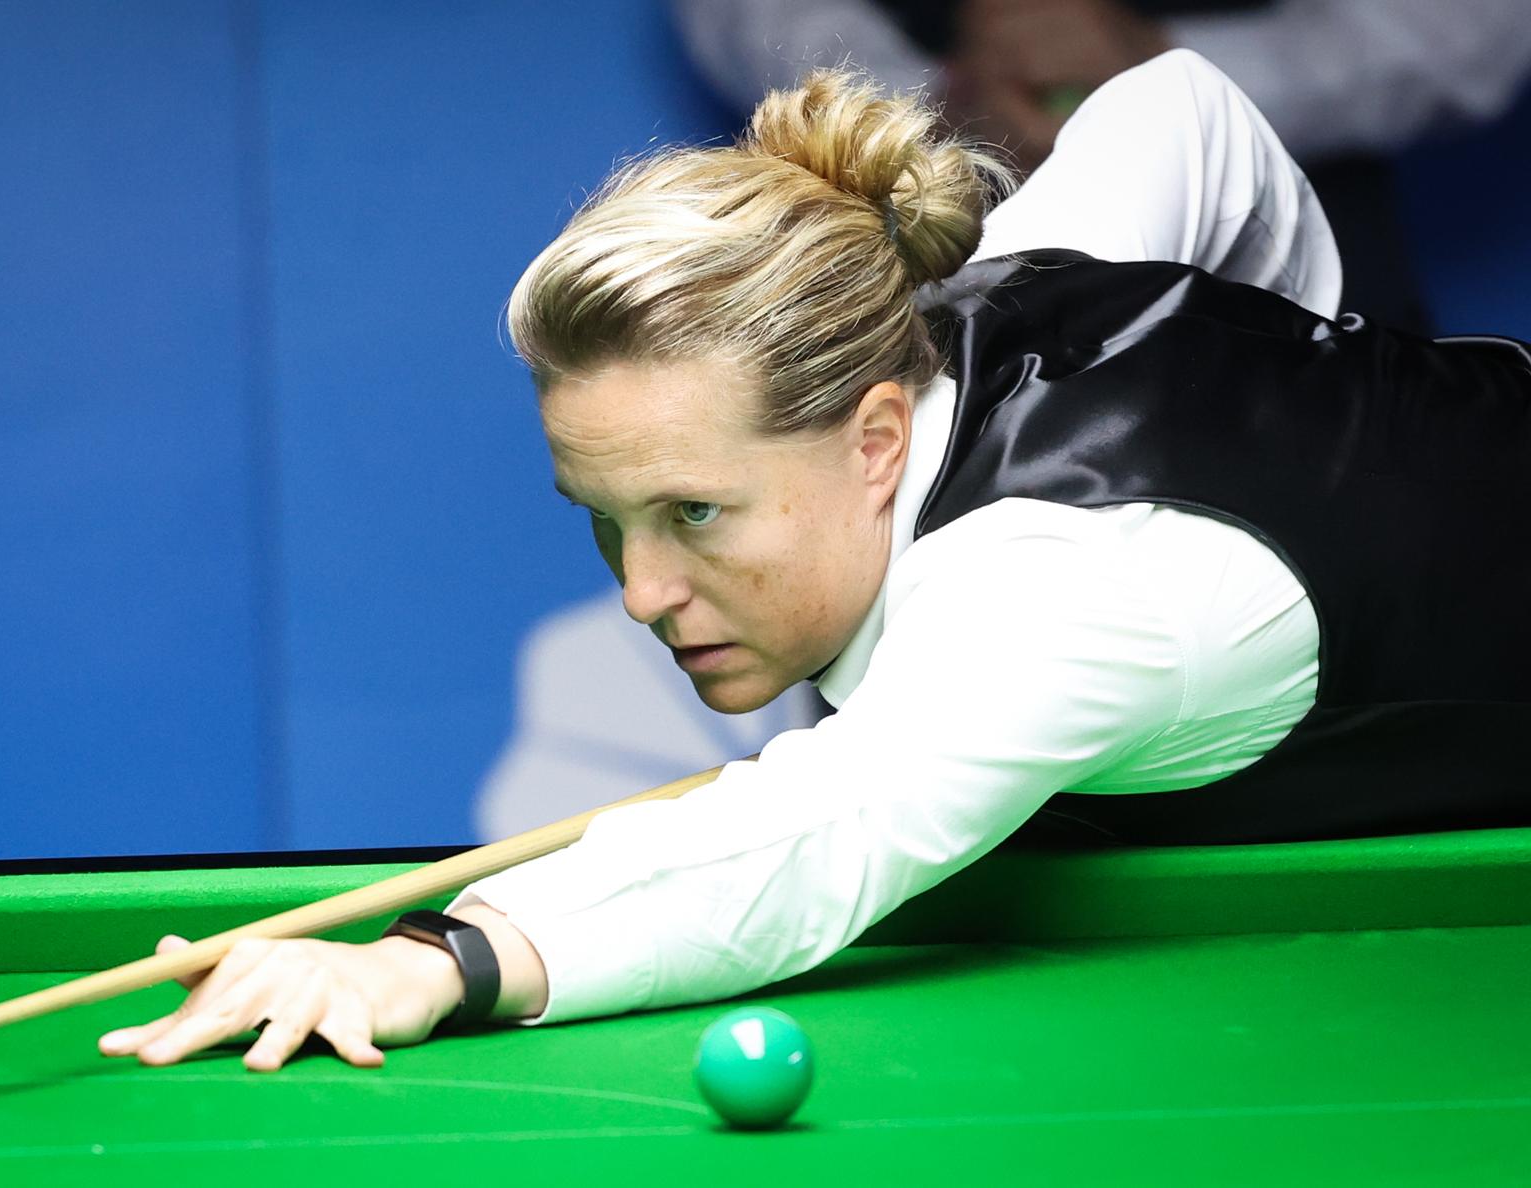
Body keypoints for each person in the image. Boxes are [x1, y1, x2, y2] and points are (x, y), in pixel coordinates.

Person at [96, 50, 1531, 1073]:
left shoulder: (1055, 596)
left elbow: (806, 842)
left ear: (876, 440)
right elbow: (1182, 110)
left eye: (696, 515)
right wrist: (1328, 385)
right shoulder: (996, 272)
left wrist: (436, 959)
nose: (640, 594)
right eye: (605, 519)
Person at [669, 0, 1531, 335]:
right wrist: (931, 102)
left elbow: (1476, 30)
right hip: (942, 298)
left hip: (1291, 307)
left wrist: (1168, 67)